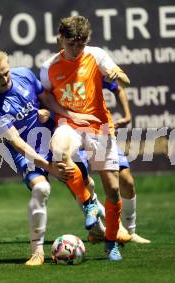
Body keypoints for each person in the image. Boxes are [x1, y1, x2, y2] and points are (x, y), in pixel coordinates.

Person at [0, 49, 99, 266]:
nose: (5, 78)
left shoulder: (24, 74)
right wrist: (46, 166)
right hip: (25, 152)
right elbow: (15, 141)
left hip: (50, 136)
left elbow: (46, 99)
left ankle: (99, 228)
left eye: (6, 72)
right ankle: (37, 252)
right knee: (41, 188)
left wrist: (48, 111)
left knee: (80, 178)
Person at [40, 15, 130, 261]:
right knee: (59, 152)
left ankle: (110, 242)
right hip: (69, 123)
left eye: (81, 44)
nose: (76, 49)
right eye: (71, 44)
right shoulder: (48, 67)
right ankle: (89, 202)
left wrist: (116, 74)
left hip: (98, 126)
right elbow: (47, 98)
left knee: (113, 190)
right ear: (60, 39)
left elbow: (122, 77)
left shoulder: (96, 55)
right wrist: (68, 114)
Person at [86, 79, 151, 244]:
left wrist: (127, 115)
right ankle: (98, 229)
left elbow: (118, 88)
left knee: (126, 180)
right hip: (74, 133)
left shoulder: (93, 67)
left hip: (101, 132)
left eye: (80, 49)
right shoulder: (56, 69)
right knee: (82, 183)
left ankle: (130, 232)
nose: (76, 51)